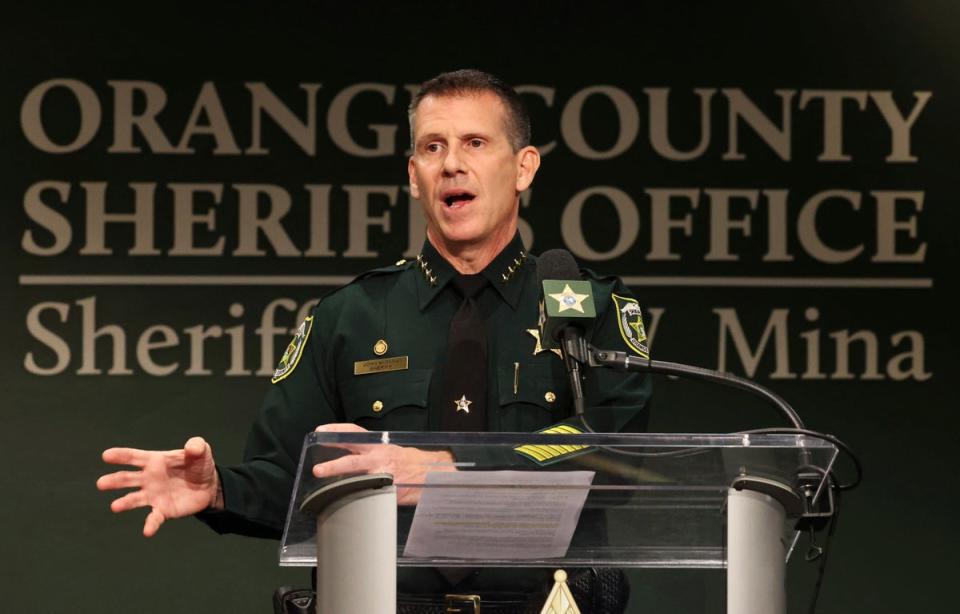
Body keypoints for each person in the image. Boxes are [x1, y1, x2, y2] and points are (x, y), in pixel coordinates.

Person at [98, 69, 652, 613]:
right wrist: (219, 489)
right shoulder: (350, 316)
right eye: (433, 148)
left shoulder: (586, 308)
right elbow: (292, 477)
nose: (452, 163)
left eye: (475, 143)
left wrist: (447, 471)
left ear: (523, 167)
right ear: (414, 176)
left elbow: (616, 451)